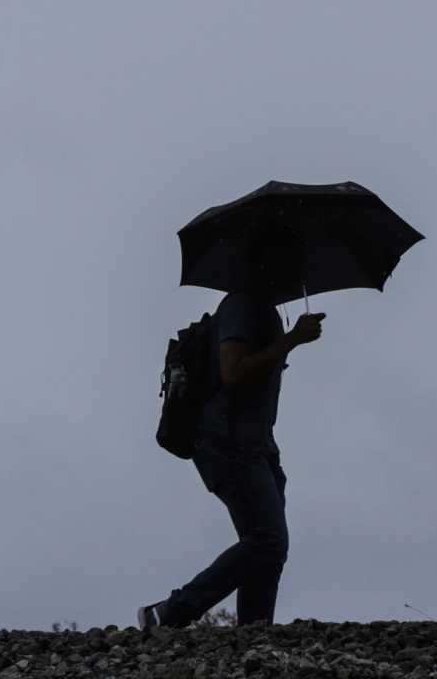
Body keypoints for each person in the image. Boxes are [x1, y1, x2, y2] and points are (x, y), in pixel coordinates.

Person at [138, 227, 325, 628]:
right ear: (266, 264)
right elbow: (233, 371)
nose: (296, 272)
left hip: (254, 443)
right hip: (227, 441)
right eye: (289, 262)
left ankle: (255, 630)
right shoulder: (241, 305)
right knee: (268, 540)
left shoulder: (264, 311)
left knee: (265, 545)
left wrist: (287, 340)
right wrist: (291, 341)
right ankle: (170, 612)